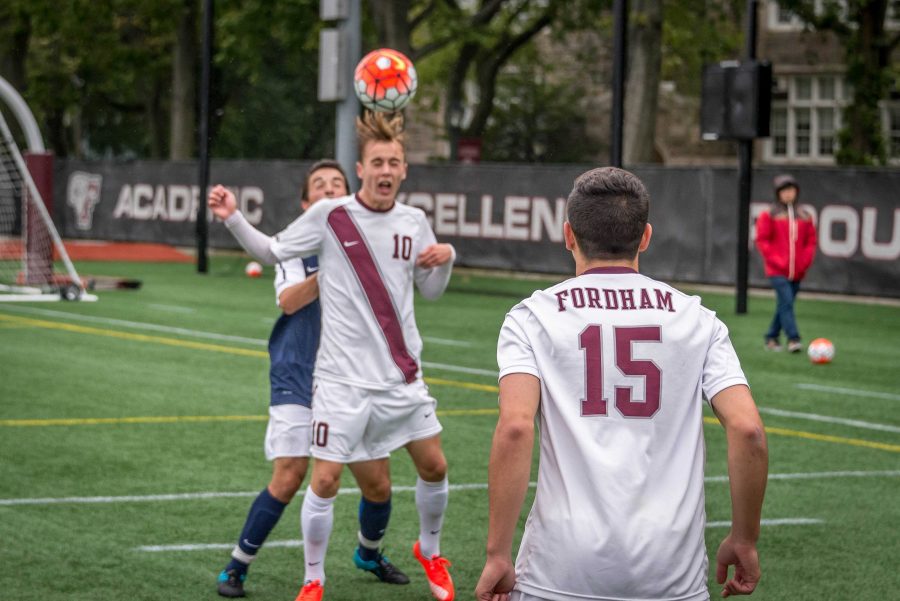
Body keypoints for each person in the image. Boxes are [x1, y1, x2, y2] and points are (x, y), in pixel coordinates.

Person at [475, 166, 769, 601]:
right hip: (671, 572)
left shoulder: (532, 316)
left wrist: (498, 553)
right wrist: (744, 540)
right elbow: (749, 431)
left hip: (560, 570)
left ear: (569, 235)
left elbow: (516, 427)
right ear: (645, 237)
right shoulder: (697, 318)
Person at [208, 111, 456, 601]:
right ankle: (309, 580)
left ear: (404, 170)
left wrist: (443, 261)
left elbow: (429, 291)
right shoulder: (330, 217)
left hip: (400, 378)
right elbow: (271, 253)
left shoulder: (415, 222)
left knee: (427, 469)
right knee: (313, 477)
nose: (386, 170)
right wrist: (233, 216)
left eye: (395, 162)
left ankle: (424, 551)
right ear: (362, 169)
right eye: (377, 162)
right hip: (334, 380)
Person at [755, 174, 817, 353]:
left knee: (784, 304)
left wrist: (804, 263)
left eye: (791, 190)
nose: (788, 194)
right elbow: (762, 240)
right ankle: (793, 338)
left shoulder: (805, 215)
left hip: (797, 271)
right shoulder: (769, 214)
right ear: (778, 193)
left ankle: (771, 337)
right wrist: (776, 260)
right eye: (784, 190)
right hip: (776, 271)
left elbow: (810, 242)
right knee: (787, 301)